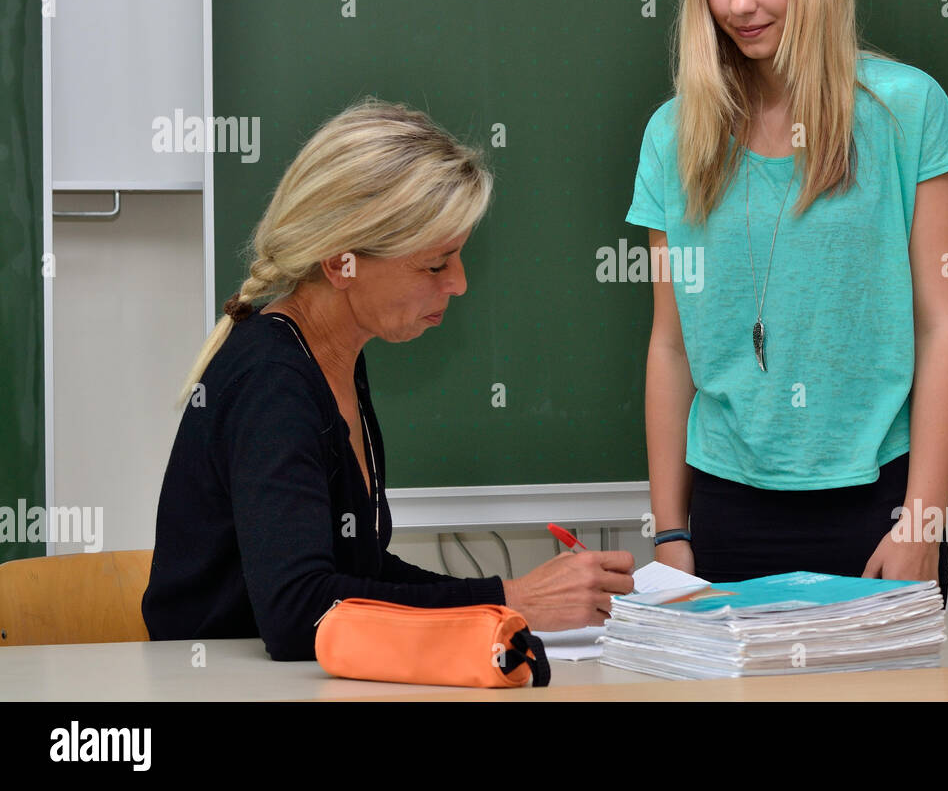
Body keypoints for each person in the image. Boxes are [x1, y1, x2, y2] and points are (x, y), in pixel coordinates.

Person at [143, 98, 633, 660]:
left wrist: (511, 602)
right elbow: (300, 614)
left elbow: (360, 573)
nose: (460, 283)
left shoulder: (332, 355)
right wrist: (511, 599)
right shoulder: (272, 383)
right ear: (339, 262)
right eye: (435, 264)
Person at [625, 0, 948, 605]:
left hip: (879, 508)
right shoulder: (672, 137)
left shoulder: (907, 112)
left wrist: (921, 521)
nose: (740, 4)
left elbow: (942, 326)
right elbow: (670, 344)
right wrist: (669, 534)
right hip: (723, 512)